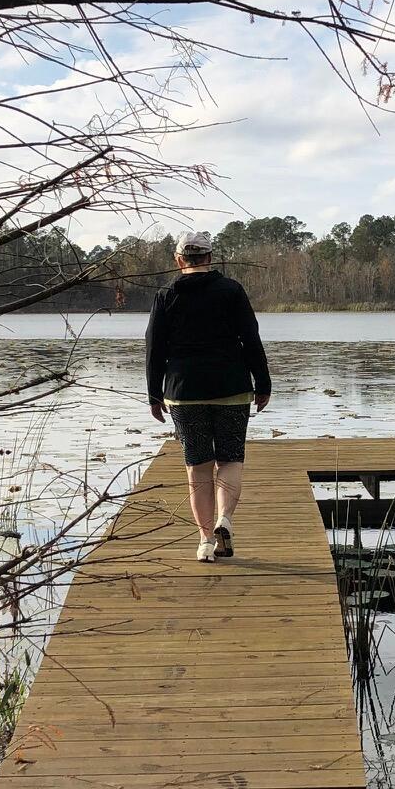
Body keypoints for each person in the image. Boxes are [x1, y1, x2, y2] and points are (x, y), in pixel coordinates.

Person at [144, 231, 272, 562]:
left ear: (179, 260)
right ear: (211, 258)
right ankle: (224, 519)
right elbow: (251, 339)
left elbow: (154, 348)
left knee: (198, 467)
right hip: (232, 387)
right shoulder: (231, 290)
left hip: (184, 391)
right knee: (230, 459)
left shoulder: (166, 294)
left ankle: (204, 542)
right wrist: (263, 383)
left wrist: (154, 394)